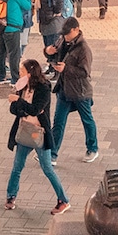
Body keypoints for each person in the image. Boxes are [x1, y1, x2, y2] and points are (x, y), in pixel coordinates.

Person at [5, 57, 70, 215]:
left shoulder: (43, 88)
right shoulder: (22, 85)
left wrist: (19, 102)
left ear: (30, 72)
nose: (19, 73)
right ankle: (10, 196)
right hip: (24, 130)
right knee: (17, 166)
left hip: (39, 133)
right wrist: (21, 105)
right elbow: (14, 109)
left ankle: (63, 200)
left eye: (22, 70)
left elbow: (36, 109)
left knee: (47, 168)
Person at [47, 17, 99, 163]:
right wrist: (48, 51)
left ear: (76, 30)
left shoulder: (84, 49)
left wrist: (66, 69)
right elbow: (54, 54)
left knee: (87, 120)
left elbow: (84, 72)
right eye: (63, 33)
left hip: (80, 92)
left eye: (67, 33)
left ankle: (93, 148)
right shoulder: (63, 41)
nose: (65, 36)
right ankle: (52, 153)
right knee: (58, 122)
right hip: (64, 89)